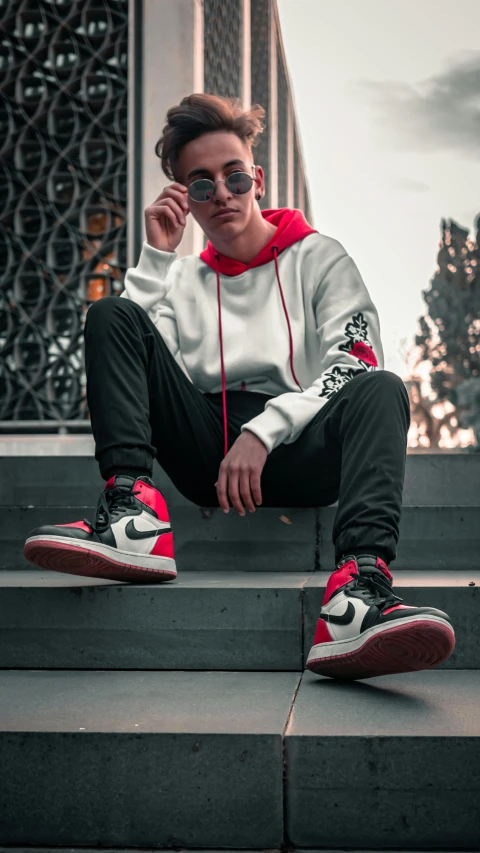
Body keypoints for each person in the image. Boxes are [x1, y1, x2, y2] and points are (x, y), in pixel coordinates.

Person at [24, 93, 455, 679]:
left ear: (256, 178)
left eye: (232, 177)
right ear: (187, 201)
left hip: (305, 447)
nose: (221, 194)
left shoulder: (320, 257)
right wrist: (155, 258)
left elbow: (354, 355)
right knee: (111, 314)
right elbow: (138, 360)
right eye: (200, 186)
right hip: (209, 454)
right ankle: (132, 518)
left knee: (381, 385)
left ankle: (357, 595)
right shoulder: (180, 279)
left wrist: (265, 430)